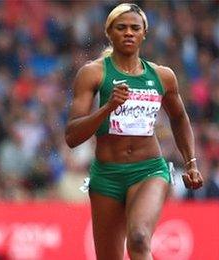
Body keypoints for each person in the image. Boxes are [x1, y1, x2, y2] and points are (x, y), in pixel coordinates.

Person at [65, 3, 204, 259]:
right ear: (110, 33)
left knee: (139, 240)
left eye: (134, 28)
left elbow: (180, 117)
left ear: (144, 34)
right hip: (107, 175)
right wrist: (108, 107)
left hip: (148, 170)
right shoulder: (93, 73)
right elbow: (72, 136)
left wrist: (191, 162)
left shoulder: (163, 76)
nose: (128, 32)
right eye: (121, 27)